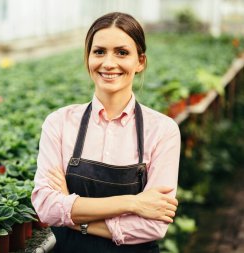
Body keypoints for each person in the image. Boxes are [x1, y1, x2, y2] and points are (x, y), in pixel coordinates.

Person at [31, 12, 180, 253]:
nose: (109, 63)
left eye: (122, 52)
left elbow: (153, 225)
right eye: (99, 51)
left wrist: (75, 216)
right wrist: (134, 203)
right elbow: (47, 208)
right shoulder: (59, 123)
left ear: (140, 61)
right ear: (88, 58)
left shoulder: (162, 130)